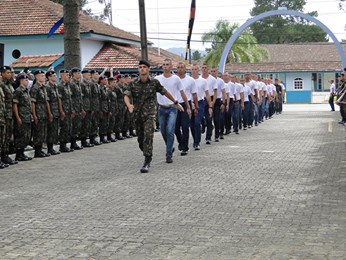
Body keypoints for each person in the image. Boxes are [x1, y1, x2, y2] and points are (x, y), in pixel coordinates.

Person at [124, 60, 183, 173]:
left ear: (148, 69)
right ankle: (146, 151)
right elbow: (126, 95)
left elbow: (165, 92)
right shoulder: (133, 83)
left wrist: (176, 103)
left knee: (148, 135)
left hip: (150, 114)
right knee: (141, 139)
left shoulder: (154, 82)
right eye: (140, 67)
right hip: (138, 115)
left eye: (144, 67)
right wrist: (129, 105)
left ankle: (147, 160)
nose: (142, 69)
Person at [155, 58, 190, 163]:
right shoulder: (157, 79)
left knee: (170, 130)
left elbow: (182, 93)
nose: (165, 66)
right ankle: (170, 147)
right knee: (163, 131)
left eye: (167, 64)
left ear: (171, 66)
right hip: (161, 108)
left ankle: (168, 154)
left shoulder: (176, 79)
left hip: (172, 108)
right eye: (164, 64)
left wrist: (187, 106)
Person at [30, 70, 52, 158]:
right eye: (42, 76)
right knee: (38, 133)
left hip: (44, 113)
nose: (44, 77)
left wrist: (49, 112)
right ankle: (37, 151)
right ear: (36, 77)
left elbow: (46, 101)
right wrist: (34, 115)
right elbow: (32, 103)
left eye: (44, 76)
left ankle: (40, 150)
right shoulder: (35, 88)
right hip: (38, 113)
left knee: (43, 132)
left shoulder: (44, 88)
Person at [190, 64, 212, 150]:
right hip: (190, 103)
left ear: (198, 70)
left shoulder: (203, 81)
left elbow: (207, 94)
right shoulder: (188, 80)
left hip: (200, 103)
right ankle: (195, 138)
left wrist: (210, 106)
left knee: (196, 123)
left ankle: (197, 142)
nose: (194, 71)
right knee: (191, 125)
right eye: (192, 69)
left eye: (196, 69)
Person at [175, 62, 195, 155]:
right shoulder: (173, 79)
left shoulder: (190, 80)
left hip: (185, 104)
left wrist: (192, 106)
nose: (180, 69)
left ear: (185, 68)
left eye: (182, 67)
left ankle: (185, 147)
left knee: (185, 126)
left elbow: (194, 94)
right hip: (175, 104)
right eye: (178, 67)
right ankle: (181, 142)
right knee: (175, 127)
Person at [12, 74, 33, 161]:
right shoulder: (18, 91)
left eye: (27, 80)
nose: (27, 81)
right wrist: (18, 117)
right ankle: (18, 154)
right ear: (20, 81)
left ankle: (22, 153)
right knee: (20, 136)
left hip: (27, 116)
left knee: (26, 136)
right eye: (25, 80)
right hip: (21, 116)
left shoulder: (26, 90)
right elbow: (15, 105)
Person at [0, 66, 18, 166]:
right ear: (2, 74)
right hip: (3, 114)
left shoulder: (9, 85)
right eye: (7, 73)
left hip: (9, 114)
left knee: (7, 136)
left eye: (10, 73)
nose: (10, 74)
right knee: (2, 137)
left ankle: (5, 156)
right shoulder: (1, 85)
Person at [46, 70, 63, 155]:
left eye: (55, 75)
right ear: (49, 77)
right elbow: (47, 101)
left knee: (55, 130)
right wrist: (49, 113)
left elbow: (59, 99)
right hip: (51, 111)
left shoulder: (55, 86)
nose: (55, 77)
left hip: (56, 111)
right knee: (50, 130)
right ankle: (49, 148)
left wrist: (60, 110)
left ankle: (52, 147)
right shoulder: (47, 87)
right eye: (53, 76)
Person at [69, 67, 85, 150]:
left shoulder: (78, 83)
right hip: (74, 108)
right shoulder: (72, 84)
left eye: (80, 73)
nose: (79, 74)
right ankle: (72, 143)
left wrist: (81, 109)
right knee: (74, 126)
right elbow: (70, 98)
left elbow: (80, 98)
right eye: (78, 73)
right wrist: (72, 109)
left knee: (77, 126)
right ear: (74, 74)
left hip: (78, 108)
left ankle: (74, 142)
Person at [58, 69, 73, 153]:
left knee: (68, 128)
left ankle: (65, 144)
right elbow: (59, 99)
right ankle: (62, 145)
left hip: (68, 110)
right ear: (62, 76)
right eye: (67, 75)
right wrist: (61, 111)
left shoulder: (67, 86)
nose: (68, 77)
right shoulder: (60, 86)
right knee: (64, 128)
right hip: (64, 110)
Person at [80, 69, 93, 148]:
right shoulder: (82, 84)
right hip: (84, 107)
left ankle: (86, 140)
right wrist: (82, 109)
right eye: (87, 74)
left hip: (89, 107)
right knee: (84, 125)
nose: (89, 75)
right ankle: (83, 141)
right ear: (83, 75)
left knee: (88, 124)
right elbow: (81, 98)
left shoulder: (88, 84)